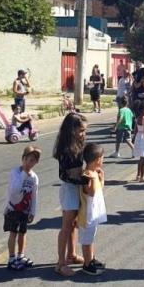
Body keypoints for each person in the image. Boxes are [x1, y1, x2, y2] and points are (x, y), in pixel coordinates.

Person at [53, 113, 89, 277]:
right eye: (81, 130)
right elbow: (64, 175)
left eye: (84, 131)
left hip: (77, 188)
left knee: (74, 224)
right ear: (72, 129)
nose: (83, 134)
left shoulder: (79, 143)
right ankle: (60, 264)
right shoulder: (65, 149)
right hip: (69, 189)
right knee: (66, 226)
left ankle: (72, 254)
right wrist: (80, 179)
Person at [3, 146, 40, 271]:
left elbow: (34, 195)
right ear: (23, 159)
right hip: (13, 209)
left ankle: (20, 255)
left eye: (33, 161)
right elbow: (14, 190)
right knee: (13, 233)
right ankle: (11, 258)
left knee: (23, 233)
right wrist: (24, 174)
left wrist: (33, 211)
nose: (30, 163)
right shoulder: (15, 173)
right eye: (28, 159)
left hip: (25, 210)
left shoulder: (34, 177)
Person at [77, 143, 107, 276]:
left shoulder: (93, 173)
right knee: (87, 240)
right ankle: (87, 264)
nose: (103, 161)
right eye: (102, 158)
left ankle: (92, 259)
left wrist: (101, 178)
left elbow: (100, 188)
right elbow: (92, 192)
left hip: (93, 213)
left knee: (91, 238)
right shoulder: (87, 175)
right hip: (86, 214)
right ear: (97, 160)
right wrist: (94, 177)